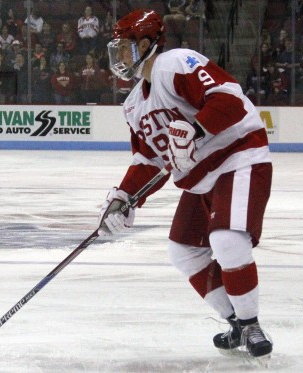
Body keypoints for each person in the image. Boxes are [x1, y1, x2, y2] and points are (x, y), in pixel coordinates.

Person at [98, 9, 273, 359]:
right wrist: (124, 198)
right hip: (200, 178)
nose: (118, 56)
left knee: (226, 240)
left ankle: (252, 323)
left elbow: (229, 98)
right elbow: (150, 159)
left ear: (146, 44)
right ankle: (236, 321)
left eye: (124, 47)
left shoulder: (175, 63)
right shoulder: (133, 104)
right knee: (184, 250)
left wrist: (196, 129)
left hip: (238, 157)